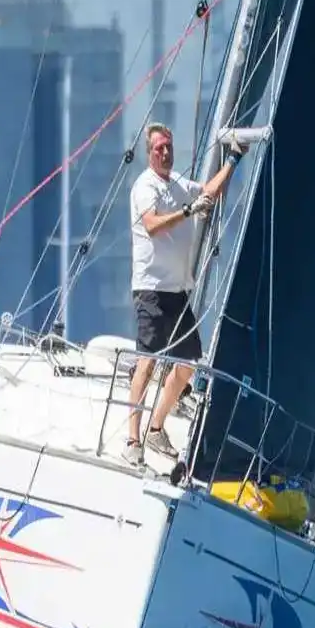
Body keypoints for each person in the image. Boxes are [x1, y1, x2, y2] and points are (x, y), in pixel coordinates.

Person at [124, 122, 268, 466]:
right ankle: (132, 440)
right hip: (151, 289)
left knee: (188, 362)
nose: (165, 152)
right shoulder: (145, 186)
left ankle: (156, 428)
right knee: (147, 361)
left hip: (178, 291)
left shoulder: (177, 183)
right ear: (149, 153)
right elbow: (152, 225)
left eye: (168, 147)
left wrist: (233, 159)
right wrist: (188, 211)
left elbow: (208, 191)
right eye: (159, 148)